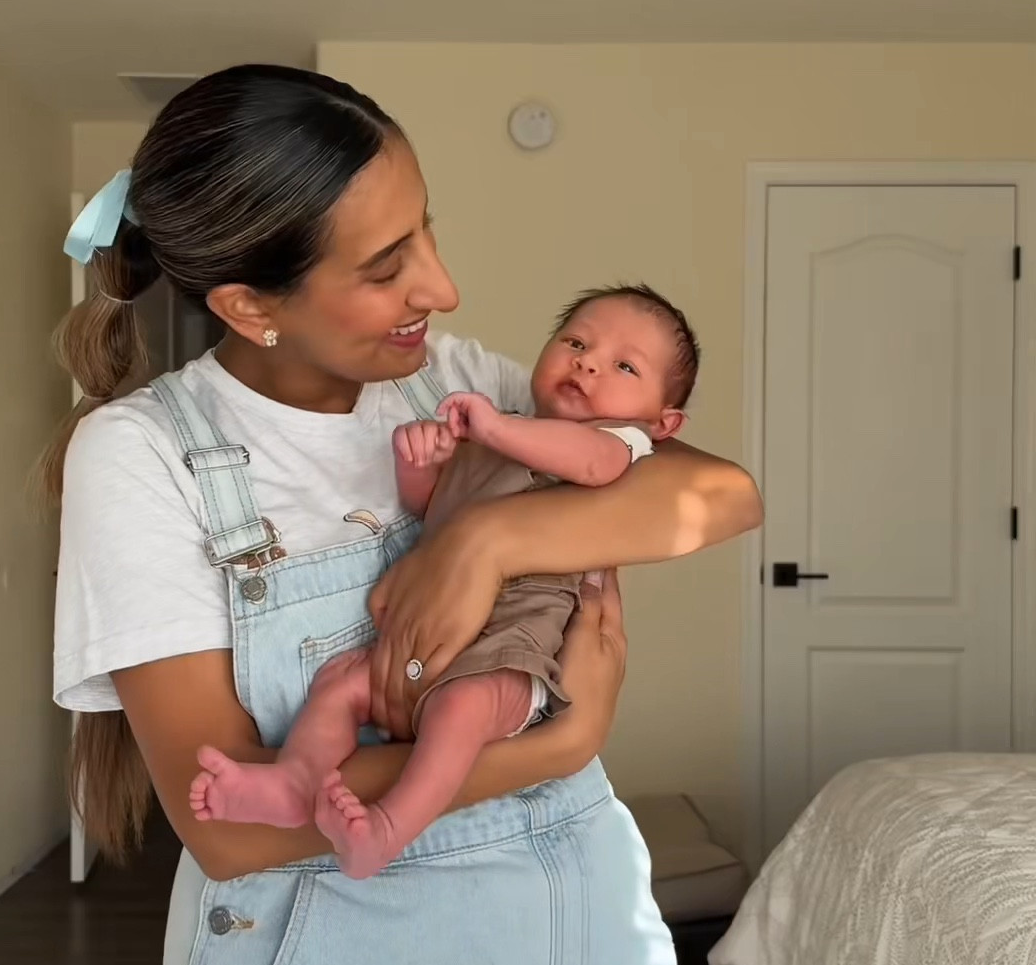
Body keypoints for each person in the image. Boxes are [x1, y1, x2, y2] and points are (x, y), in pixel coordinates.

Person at [46, 64, 765, 965]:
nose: (441, 284)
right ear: (250, 305)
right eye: (386, 266)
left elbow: (716, 494)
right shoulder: (143, 457)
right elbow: (230, 824)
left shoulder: (450, 380)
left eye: (425, 228)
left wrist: (492, 536)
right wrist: (560, 747)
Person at [190, 284, 700, 879]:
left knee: (460, 711)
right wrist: (421, 465)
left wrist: (492, 429)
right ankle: (295, 781)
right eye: (576, 343)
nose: (588, 364)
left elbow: (588, 462)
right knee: (339, 685)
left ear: (663, 421)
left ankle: (388, 829)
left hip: (512, 650)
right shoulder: (503, 429)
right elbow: (434, 508)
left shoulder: (621, 444)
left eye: (624, 366)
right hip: (418, 645)